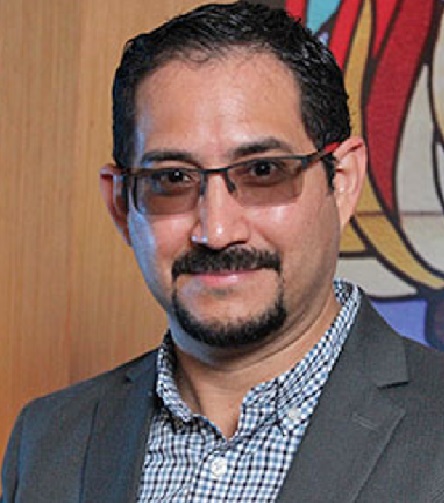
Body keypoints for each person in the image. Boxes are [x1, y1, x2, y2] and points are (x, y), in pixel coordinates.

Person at [2, 2, 444, 502]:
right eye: (173, 178)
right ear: (121, 204)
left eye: (262, 172)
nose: (215, 231)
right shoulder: (46, 443)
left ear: (341, 182)